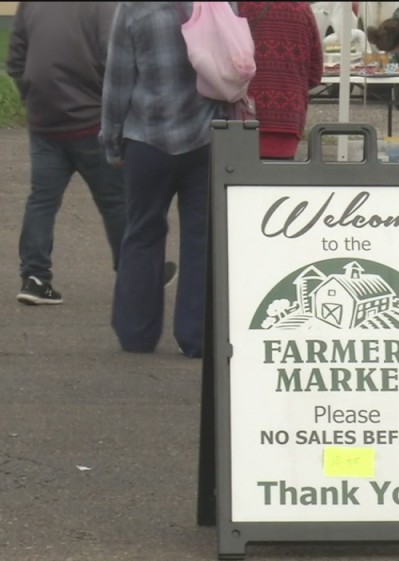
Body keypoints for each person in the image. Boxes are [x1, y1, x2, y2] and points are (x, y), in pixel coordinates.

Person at [100, 2, 234, 359]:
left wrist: (112, 141)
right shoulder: (218, 3)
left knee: (142, 231)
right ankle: (198, 336)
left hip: (147, 137)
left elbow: (118, 80)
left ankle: (136, 334)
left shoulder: (133, 8)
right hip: (207, 137)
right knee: (202, 238)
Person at [5, 2, 127, 306]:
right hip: (89, 120)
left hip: (44, 120)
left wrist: (31, 99)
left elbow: (16, 61)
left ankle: (34, 278)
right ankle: (132, 273)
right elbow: (112, 59)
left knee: (41, 201)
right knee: (115, 201)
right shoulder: (102, 6)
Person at [239, 2, 324, 160]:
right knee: (281, 178)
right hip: (289, 114)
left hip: (245, 114)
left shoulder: (242, 7)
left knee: (243, 180)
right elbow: (315, 73)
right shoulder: (302, 9)